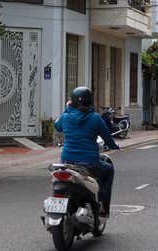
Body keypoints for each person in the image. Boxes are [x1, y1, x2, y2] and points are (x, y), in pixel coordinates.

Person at [54, 86, 120, 217]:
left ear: (71, 101)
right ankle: (102, 207)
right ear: (90, 101)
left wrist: (67, 108)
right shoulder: (95, 118)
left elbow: (57, 125)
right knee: (108, 170)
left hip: (67, 162)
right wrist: (115, 146)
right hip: (89, 164)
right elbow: (108, 138)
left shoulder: (66, 116)